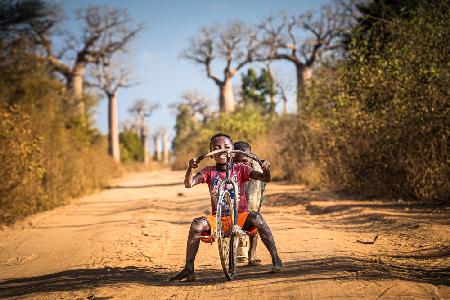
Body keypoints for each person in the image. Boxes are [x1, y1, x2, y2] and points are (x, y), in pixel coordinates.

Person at [169, 132, 282, 282]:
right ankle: (189, 269)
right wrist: (191, 169)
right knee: (197, 224)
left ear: (233, 151)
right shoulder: (209, 171)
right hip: (218, 220)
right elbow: (188, 184)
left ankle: (276, 259)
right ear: (211, 154)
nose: (222, 150)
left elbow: (265, 178)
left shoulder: (241, 169)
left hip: (240, 218)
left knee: (257, 217)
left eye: (226, 147)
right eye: (217, 148)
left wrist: (265, 169)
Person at [233, 141, 265, 266]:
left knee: (253, 217)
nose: (241, 164)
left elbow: (263, 181)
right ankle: (239, 252)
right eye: (237, 162)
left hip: (255, 191)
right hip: (236, 194)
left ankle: (252, 253)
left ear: (250, 159)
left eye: (244, 161)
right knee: (235, 218)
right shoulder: (228, 167)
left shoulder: (256, 168)